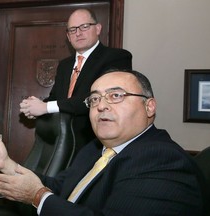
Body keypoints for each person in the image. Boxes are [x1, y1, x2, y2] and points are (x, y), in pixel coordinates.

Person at [0, 69, 204, 215]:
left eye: (116, 95)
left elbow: (44, 193)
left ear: (149, 106)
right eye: (94, 99)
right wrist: (7, 164)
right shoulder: (96, 149)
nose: (101, 105)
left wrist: (37, 197)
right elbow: (58, 187)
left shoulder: (162, 160)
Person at [19, 8, 132, 151]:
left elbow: (96, 100)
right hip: (63, 145)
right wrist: (33, 106)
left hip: (97, 144)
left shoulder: (116, 57)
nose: (78, 33)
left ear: (97, 28)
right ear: (68, 36)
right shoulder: (64, 65)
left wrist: (45, 108)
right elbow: (56, 98)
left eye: (84, 27)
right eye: (72, 30)